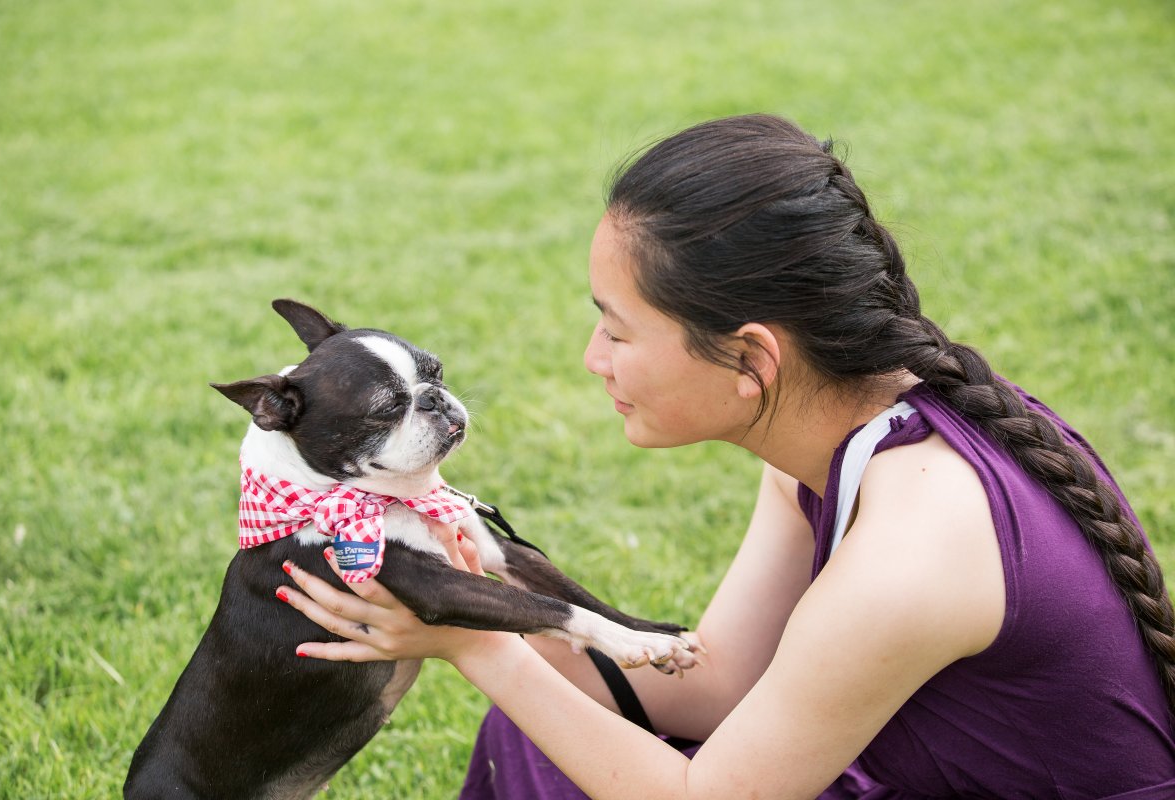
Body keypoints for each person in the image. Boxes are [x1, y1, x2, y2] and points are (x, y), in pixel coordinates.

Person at [277, 114, 1175, 798]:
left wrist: (475, 643)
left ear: (751, 358)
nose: (594, 358)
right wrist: (487, 595)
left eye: (617, 328)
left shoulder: (914, 552)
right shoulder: (839, 440)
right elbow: (712, 687)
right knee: (544, 740)